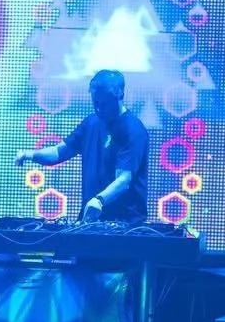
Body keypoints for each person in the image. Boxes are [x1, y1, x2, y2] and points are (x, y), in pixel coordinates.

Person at [14, 69, 150, 222]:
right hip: (91, 220)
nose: (98, 108)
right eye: (95, 102)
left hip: (125, 223)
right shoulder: (91, 123)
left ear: (119, 95)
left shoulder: (133, 130)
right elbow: (59, 152)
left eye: (104, 103)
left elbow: (123, 180)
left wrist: (99, 200)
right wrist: (29, 155)